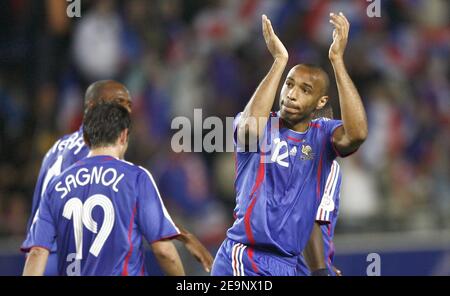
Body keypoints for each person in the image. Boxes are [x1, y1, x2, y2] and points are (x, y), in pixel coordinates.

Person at [211, 12, 367, 276]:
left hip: (287, 265)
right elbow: (248, 130)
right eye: (289, 85)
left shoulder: (321, 136)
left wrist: (337, 61)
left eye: (305, 90)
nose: (292, 95)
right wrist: (279, 61)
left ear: (320, 102)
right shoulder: (259, 126)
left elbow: (357, 133)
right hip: (245, 257)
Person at [22, 80, 212, 275]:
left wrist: (181, 235)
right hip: (67, 255)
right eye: (119, 103)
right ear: (94, 107)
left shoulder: (61, 146)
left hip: (44, 252)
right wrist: (182, 236)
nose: (127, 110)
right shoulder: (92, 154)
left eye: (129, 105)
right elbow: (111, 206)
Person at [299, 105, 342, 276]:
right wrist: (320, 269)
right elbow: (312, 220)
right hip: (308, 266)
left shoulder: (288, 157)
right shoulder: (329, 166)